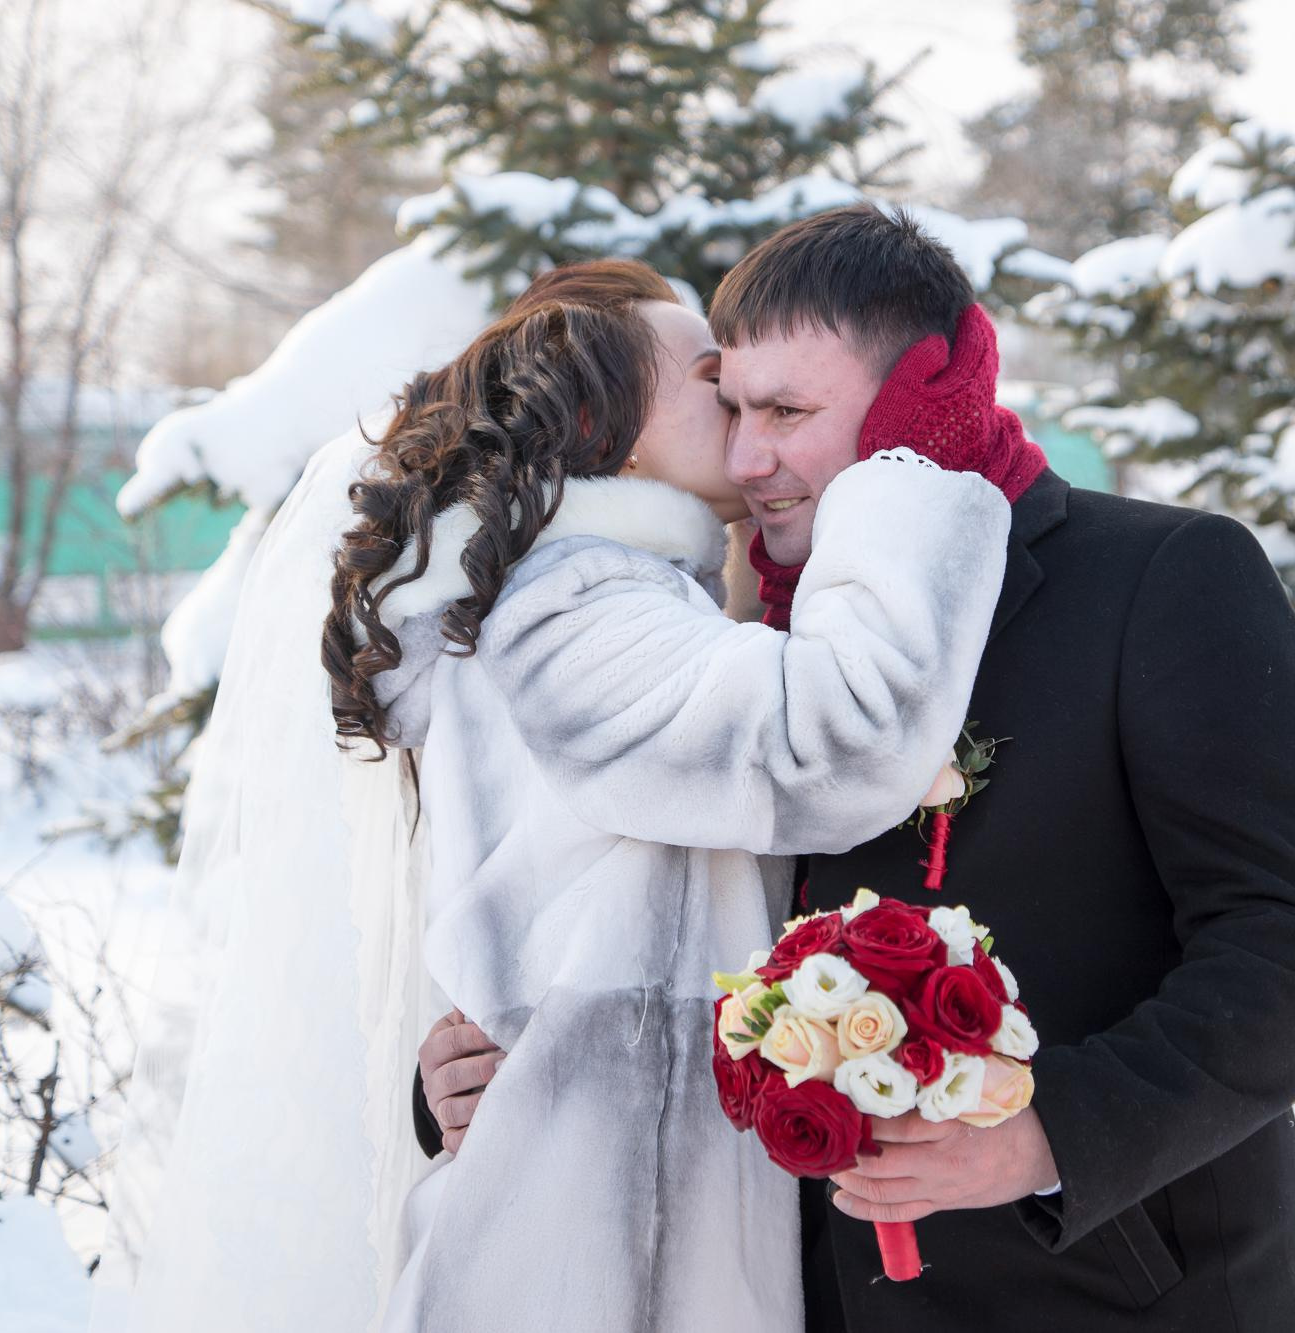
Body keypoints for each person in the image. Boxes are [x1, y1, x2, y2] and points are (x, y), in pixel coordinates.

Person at [421, 206, 1295, 1331]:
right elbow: (644, 928)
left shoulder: (1162, 576)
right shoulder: (752, 645)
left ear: (913, 407)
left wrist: (1048, 1132)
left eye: (787, 413)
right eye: (732, 408)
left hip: (1114, 1294)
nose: (746, 459)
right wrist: (468, 1076)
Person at [94, 258, 1015, 1333]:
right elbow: (831, 741)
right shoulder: (572, 606)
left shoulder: (594, 604)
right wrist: (907, 466)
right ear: (599, 425)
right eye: (711, 385)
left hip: (593, 1221)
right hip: (584, 1255)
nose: (741, 414)